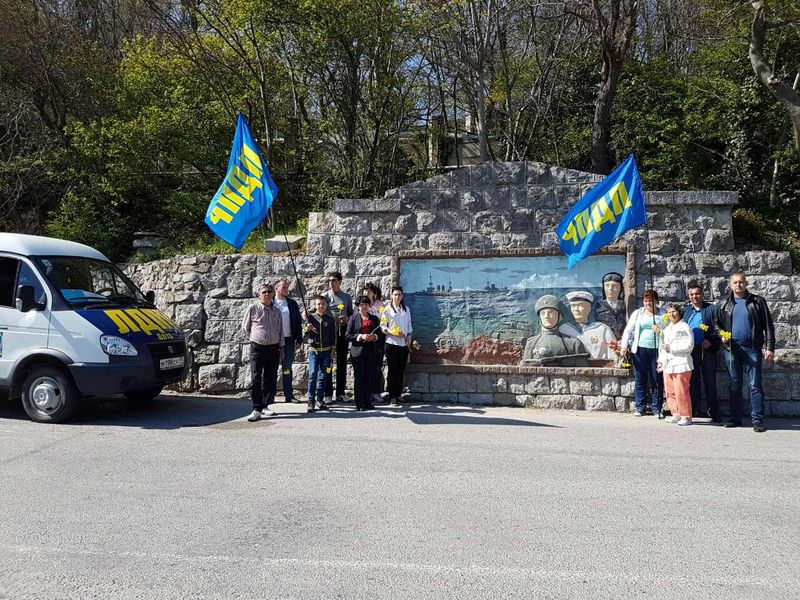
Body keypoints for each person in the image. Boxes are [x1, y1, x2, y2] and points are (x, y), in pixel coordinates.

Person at [716, 273, 775, 432]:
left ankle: (757, 420)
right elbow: (716, 324)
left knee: (755, 384)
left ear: (746, 283)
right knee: (734, 384)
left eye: (741, 282)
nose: (738, 285)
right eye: (735, 282)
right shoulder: (724, 303)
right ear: (730, 285)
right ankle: (735, 418)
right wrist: (721, 334)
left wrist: (769, 347)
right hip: (732, 349)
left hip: (752, 348)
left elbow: (768, 326)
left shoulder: (757, 301)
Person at [242, 284, 285, 422]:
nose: (266, 294)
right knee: (256, 377)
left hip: (273, 348)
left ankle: (265, 405)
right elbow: (246, 327)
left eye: (269, 292)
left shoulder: (277, 311)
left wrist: (281, 347)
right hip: (258, 347)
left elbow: (280, 330)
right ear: (259, 294)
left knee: (270, 378)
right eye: (264, 292)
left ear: (273, 294)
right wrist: (256, 337)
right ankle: (256, 408)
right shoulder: (253, 308)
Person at [620, 289, 665, 417]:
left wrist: (660, 330)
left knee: (656, 379)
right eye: (645, 301)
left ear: (656, 301)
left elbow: (668, 330)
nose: (648, 304)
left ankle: (657, 408)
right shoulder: (638, 313)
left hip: (657, 350)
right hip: (640, 349)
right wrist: (624, 346)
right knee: (640, 379)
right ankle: (640, 407)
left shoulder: (663, 314)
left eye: (650, 301)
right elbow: (628, 330)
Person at [683, 282, 721, 422]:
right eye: (692, 294)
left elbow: (720, 329)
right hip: (691, 351)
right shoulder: (687, 311)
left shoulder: (712, 309)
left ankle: (714, 412)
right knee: (693, 380)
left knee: (709, 380)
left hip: (707, 350)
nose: (695, 297)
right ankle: (695, 409)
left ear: (702, 294)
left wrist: (711, 341)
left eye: (697, 294)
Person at [522, 295, 588, 367]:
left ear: (560, 317)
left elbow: (582, 373)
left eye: (551, 312)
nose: (546, 316)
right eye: (543, 313)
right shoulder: (531, 343)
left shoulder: (573, 344)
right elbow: (526, 372)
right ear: (539, 317)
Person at [656, 304, 695, 426]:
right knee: (669, 391)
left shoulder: (684, 327)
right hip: (669, 365)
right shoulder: (668, 328)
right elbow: (663, 347)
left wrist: (671, 348)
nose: (671, 314)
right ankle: (676, 414)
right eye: (669, 312)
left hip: (681, 364)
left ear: (679, 313)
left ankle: (686, 416)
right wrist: (660, 361)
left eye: (674, 311)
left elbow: (689, 346)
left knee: (681, 391)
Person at [346, 295, 385, 411]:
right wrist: (361, 336)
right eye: (361, 305)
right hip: (358, 352)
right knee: (359, 378)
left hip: (371, 352)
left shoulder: (374, 319)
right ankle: (359, 403)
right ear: (358, 307)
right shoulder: (353, 318)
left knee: (369, 378)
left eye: (366, 304)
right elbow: (347, 336)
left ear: (369, 306)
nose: (364, 307)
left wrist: (374, 336)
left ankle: (368, 402)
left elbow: (381, 335)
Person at [558, 291, 617, 361]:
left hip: (599, 369)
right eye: (573, 306)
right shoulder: (563, 329)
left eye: (581, 305)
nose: (576, 309)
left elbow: (613, 355)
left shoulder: (602, 329)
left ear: (589, 308)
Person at [323, 271, 353, 404]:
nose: (331, 283)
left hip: (342, 332)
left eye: (334, 280)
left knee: (341, 363)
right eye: (329, 280)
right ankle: (328, 393)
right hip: (328, 333)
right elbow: (318, 312)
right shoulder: (325, 297)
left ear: (340, 282)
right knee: (328, 362)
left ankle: (340, 392)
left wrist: (347, 319)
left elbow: (352, 315)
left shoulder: (346, 297)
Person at [304, 295, 337, 413]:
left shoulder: (330, 318)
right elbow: (304, 337)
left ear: (326, 305)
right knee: (313, 374)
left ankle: (320, 400)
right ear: (315, 305)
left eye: (323, 304)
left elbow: (333, 335)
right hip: (314, 350)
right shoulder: (310, 318)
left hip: (327, 351)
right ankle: (310, 401)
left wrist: (333, 349)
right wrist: (307, 330)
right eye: (318, 304)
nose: (321, 306)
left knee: (323, 376)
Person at [381, 286, 413, 406]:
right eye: (395, 294)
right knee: (392, 370)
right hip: (392, 343)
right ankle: (392, 396)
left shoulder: (406, 309)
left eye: (399, 294)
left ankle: (398, 394)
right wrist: (393, 333)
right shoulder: (387, 309)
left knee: (400, 370)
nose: (397, 297)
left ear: (402, 296)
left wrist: (409, 337)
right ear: (391, 295)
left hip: (403, 344)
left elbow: (409, 325)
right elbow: (383, 326)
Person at [273, 279, 303, 403]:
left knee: (287, 368)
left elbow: (297, 322)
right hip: (273, 341)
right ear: (276, 288)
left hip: (288, 339)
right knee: (272, 368)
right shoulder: (271, 303)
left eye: (287, 287)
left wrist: (299, 339)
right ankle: (269, 395)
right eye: (283, 287)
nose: (286, 289)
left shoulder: (292, 303)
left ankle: (288, 395)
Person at [362, 282, 386, 403]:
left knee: (377, 367)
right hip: (365, 341)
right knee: (365, 368)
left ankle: (376, 392)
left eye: (369, 290)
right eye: (365, 290)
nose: (366, 292)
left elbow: (386, 320)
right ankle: (366, 392)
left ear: (374, 293)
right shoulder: (360, 306)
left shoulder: (381, 305)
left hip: (377, 340)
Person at [594, 272, 626, 338]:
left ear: (621, 288)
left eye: (615, 286)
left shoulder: (624, 305)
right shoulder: (598, 305)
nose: (610, 289)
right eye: (607, 285)